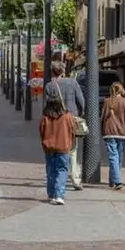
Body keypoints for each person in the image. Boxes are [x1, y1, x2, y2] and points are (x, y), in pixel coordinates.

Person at [43, 61, 86, 190]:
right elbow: (81, 101)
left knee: (56, 146)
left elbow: (45, 106)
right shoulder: (72, 82)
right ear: (63, 71)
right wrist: (80, 114)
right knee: (72, 148)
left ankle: (58, 174)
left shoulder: (49, 86)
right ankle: (74, 177)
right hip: (71, 119)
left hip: (54, 120)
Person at [39, 95, 77, 205]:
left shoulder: (45, 118)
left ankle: (51, 194)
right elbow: (73, 130)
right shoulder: (67, 116)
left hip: (49, 147)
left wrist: (44, 145)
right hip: (64, 147)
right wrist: (70, 143)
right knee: (62, 170)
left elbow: (42, 133)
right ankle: (59, 195)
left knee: (51, 171)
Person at [100, 82, 125, 190]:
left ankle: (113, 180)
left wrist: (103, 131)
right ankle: (117, 180)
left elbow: (102, 118)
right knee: (118, 157)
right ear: (121, 91)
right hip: (122, 133)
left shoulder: (107, 102)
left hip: (109, 133)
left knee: (113, 157)